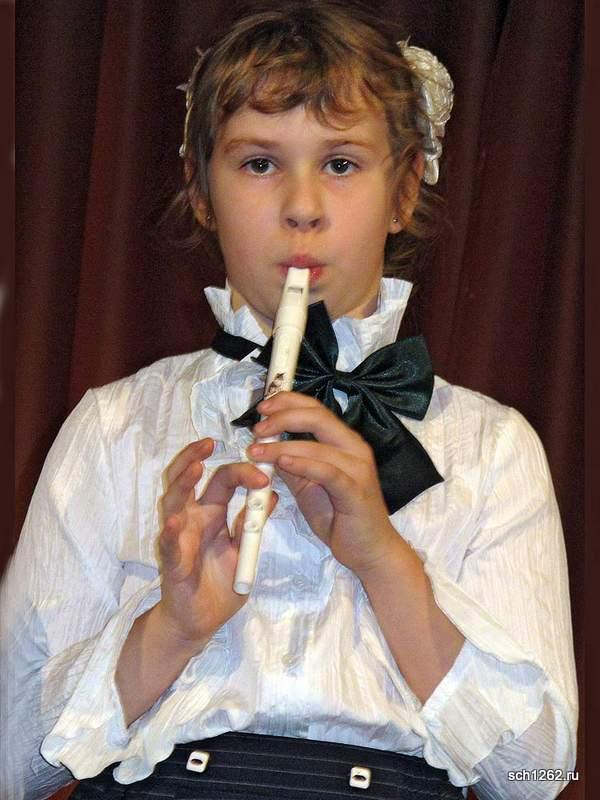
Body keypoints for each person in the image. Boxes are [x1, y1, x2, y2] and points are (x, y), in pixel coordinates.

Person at [1, 2, 578, 799]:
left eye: (341, 163)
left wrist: (383, 560)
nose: (302, 206)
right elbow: (10, 765)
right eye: (258, 163)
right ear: (201, 191)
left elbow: (541, 775)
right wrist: (171, 629)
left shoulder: (492, 447)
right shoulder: (116, 427)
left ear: (405, 188)